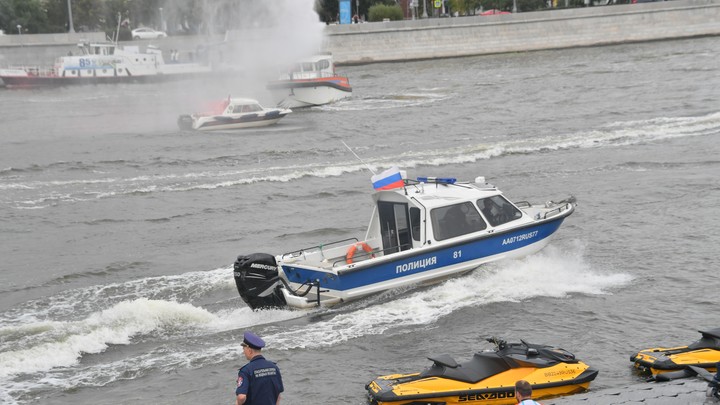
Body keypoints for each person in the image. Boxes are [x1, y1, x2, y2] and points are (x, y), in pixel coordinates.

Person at [235, 331, 284, 405]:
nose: (243, 352)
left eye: (244, 349)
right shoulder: (274, 368)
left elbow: (241, 397)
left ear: (249, 350)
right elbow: (278, 395)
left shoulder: (246, 371)